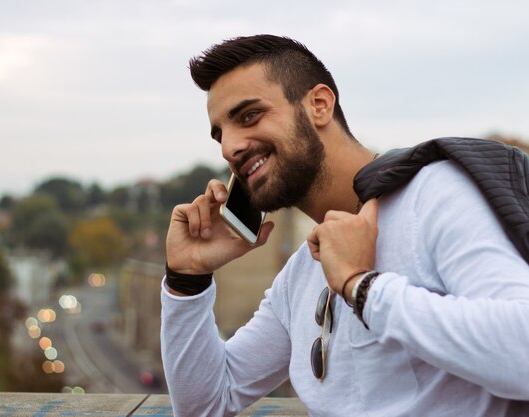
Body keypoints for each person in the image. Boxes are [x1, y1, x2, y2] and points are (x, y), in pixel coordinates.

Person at [160, 34, 529, 417]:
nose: (229, 148)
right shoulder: (301, 273)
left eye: (249, 116)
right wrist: (187, 280)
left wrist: (361, 286)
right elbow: (207, 403)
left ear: (319, 105)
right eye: (220, 134)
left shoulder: (435, 196)